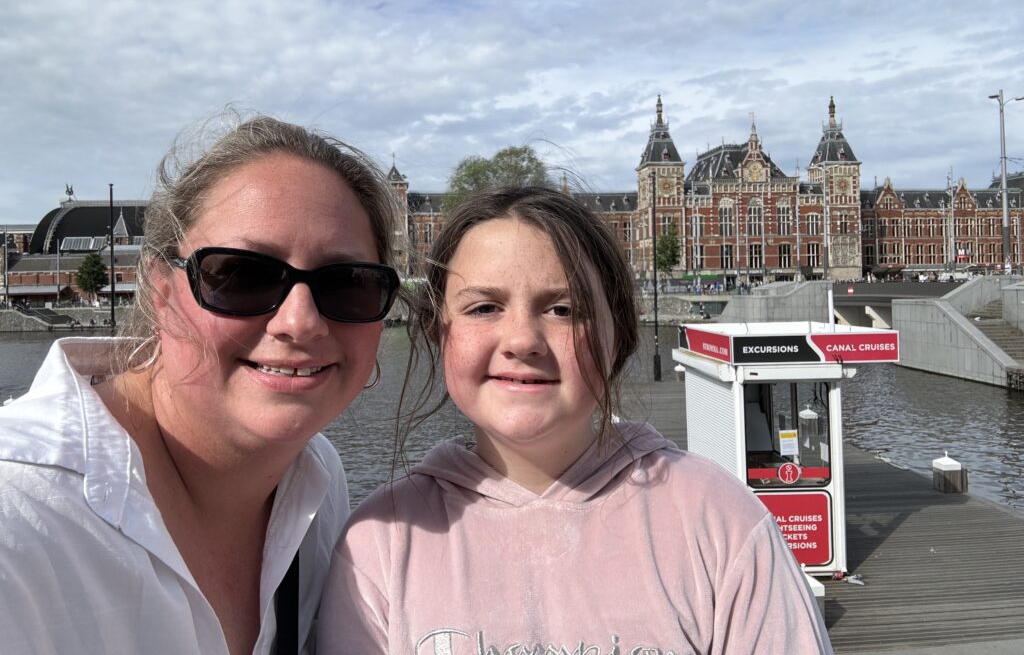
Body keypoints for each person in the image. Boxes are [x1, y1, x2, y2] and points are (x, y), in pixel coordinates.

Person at [318, 186, 832, 654]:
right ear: (438, 331)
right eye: (483, 308)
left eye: (563, 309)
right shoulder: (380, 543)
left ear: (618, 335)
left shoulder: (717, 520)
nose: (522, 340)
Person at [0, 115, 401, 654]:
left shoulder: (317, 479)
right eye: (240, 274)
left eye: (349, 283)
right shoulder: (21, 518)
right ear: (161, 291)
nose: (299, 322)